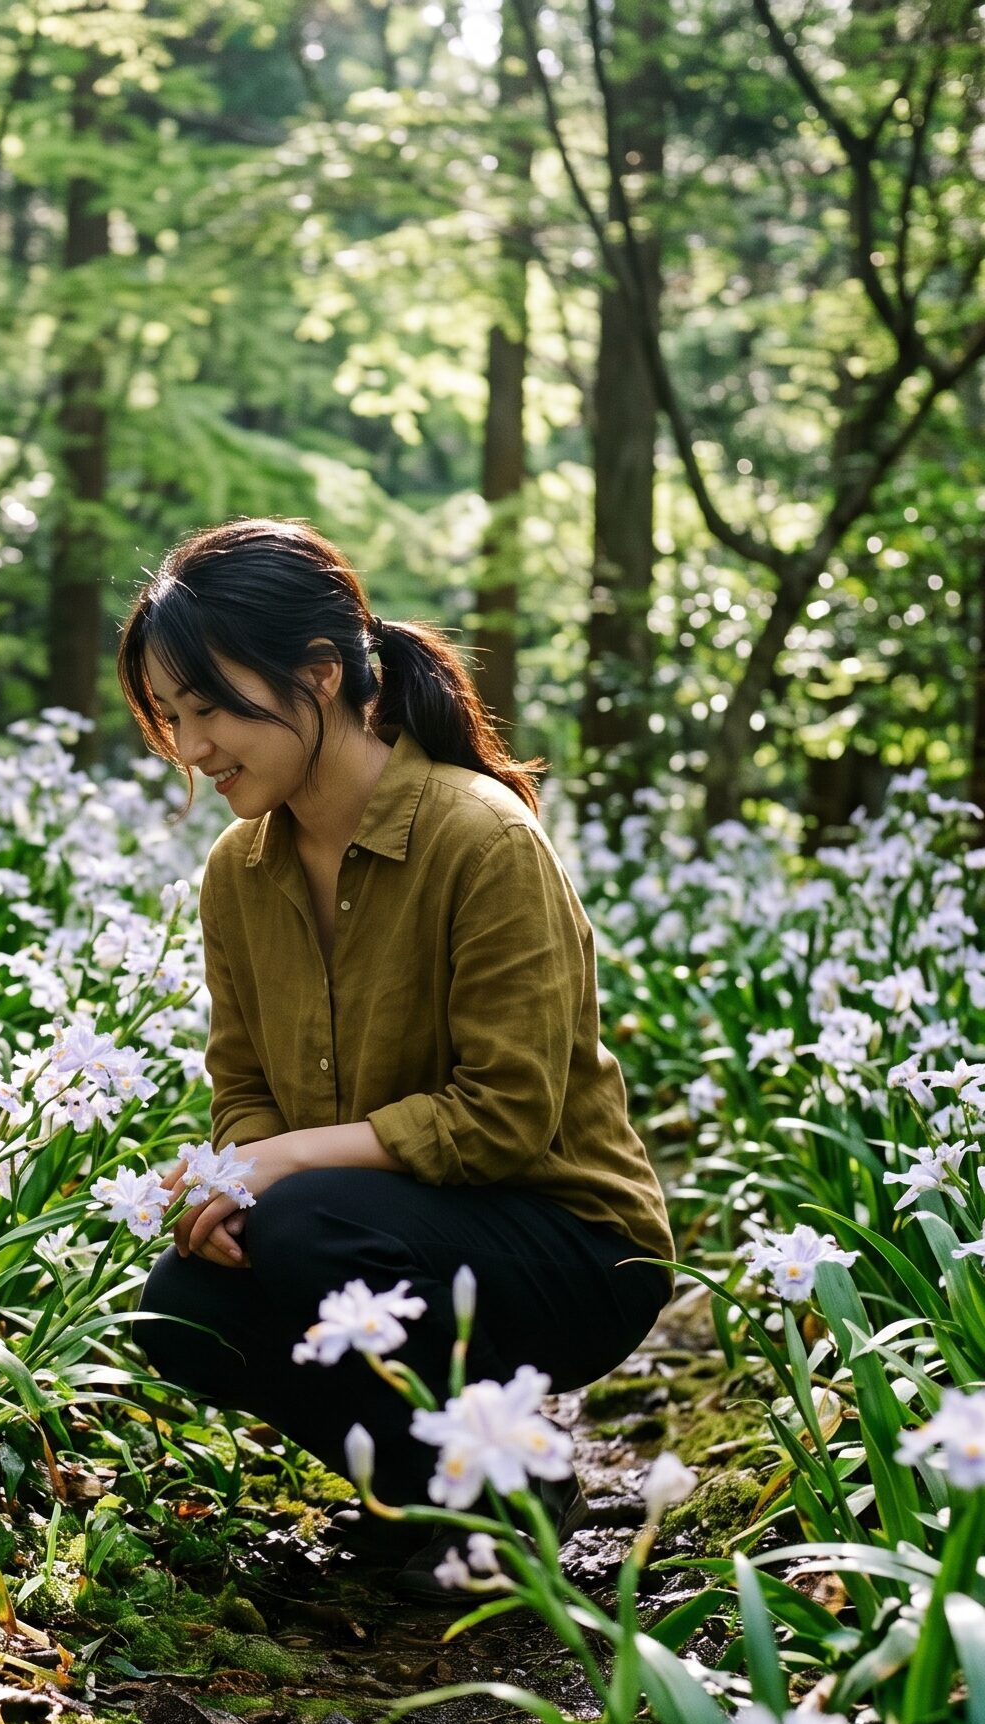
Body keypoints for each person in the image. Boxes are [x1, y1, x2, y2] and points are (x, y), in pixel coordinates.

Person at [117, 517, 676, 1597]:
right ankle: (447, 1490)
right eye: (171, 717)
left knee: (300, 1219)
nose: (190, 747)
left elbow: (504, 1117)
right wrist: (236, 1181)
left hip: (571, 1247)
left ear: (319, 674)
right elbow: (243, 1083)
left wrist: (279, 1165)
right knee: (184, 1307)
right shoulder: (238, 870)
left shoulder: (480, 837)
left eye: (210, 707)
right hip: (373, 1230)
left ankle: (495, 1501)